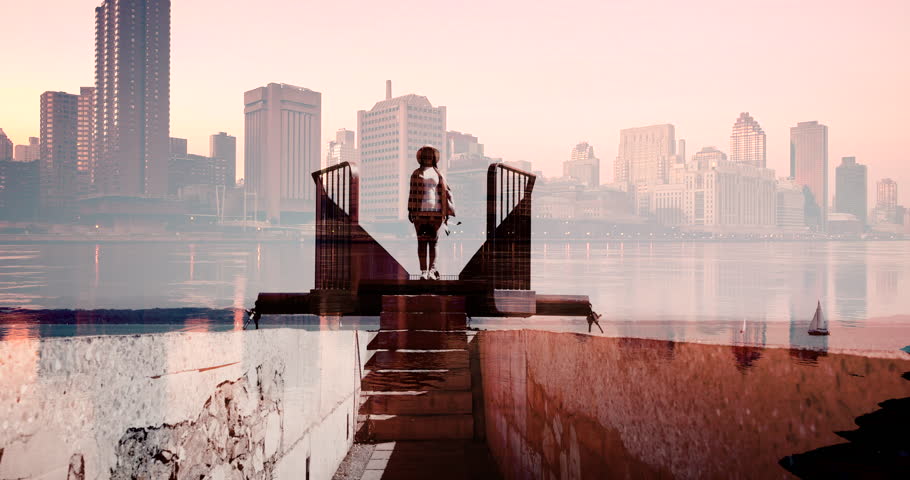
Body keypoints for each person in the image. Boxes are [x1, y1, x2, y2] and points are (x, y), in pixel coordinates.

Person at [407, 146, 455, 280]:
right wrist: (410, 210)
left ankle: (432, 271)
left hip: (437, 214)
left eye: (430, 156)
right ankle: (423, 272)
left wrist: (445, 213)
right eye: (425, 155)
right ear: (421, 158)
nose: (428, 158)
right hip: (420, 214)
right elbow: (411, 193)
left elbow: (445, 194)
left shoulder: (439, 174)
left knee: (434, 243)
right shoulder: (415, 173)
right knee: (421, 243)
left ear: (434, 158)